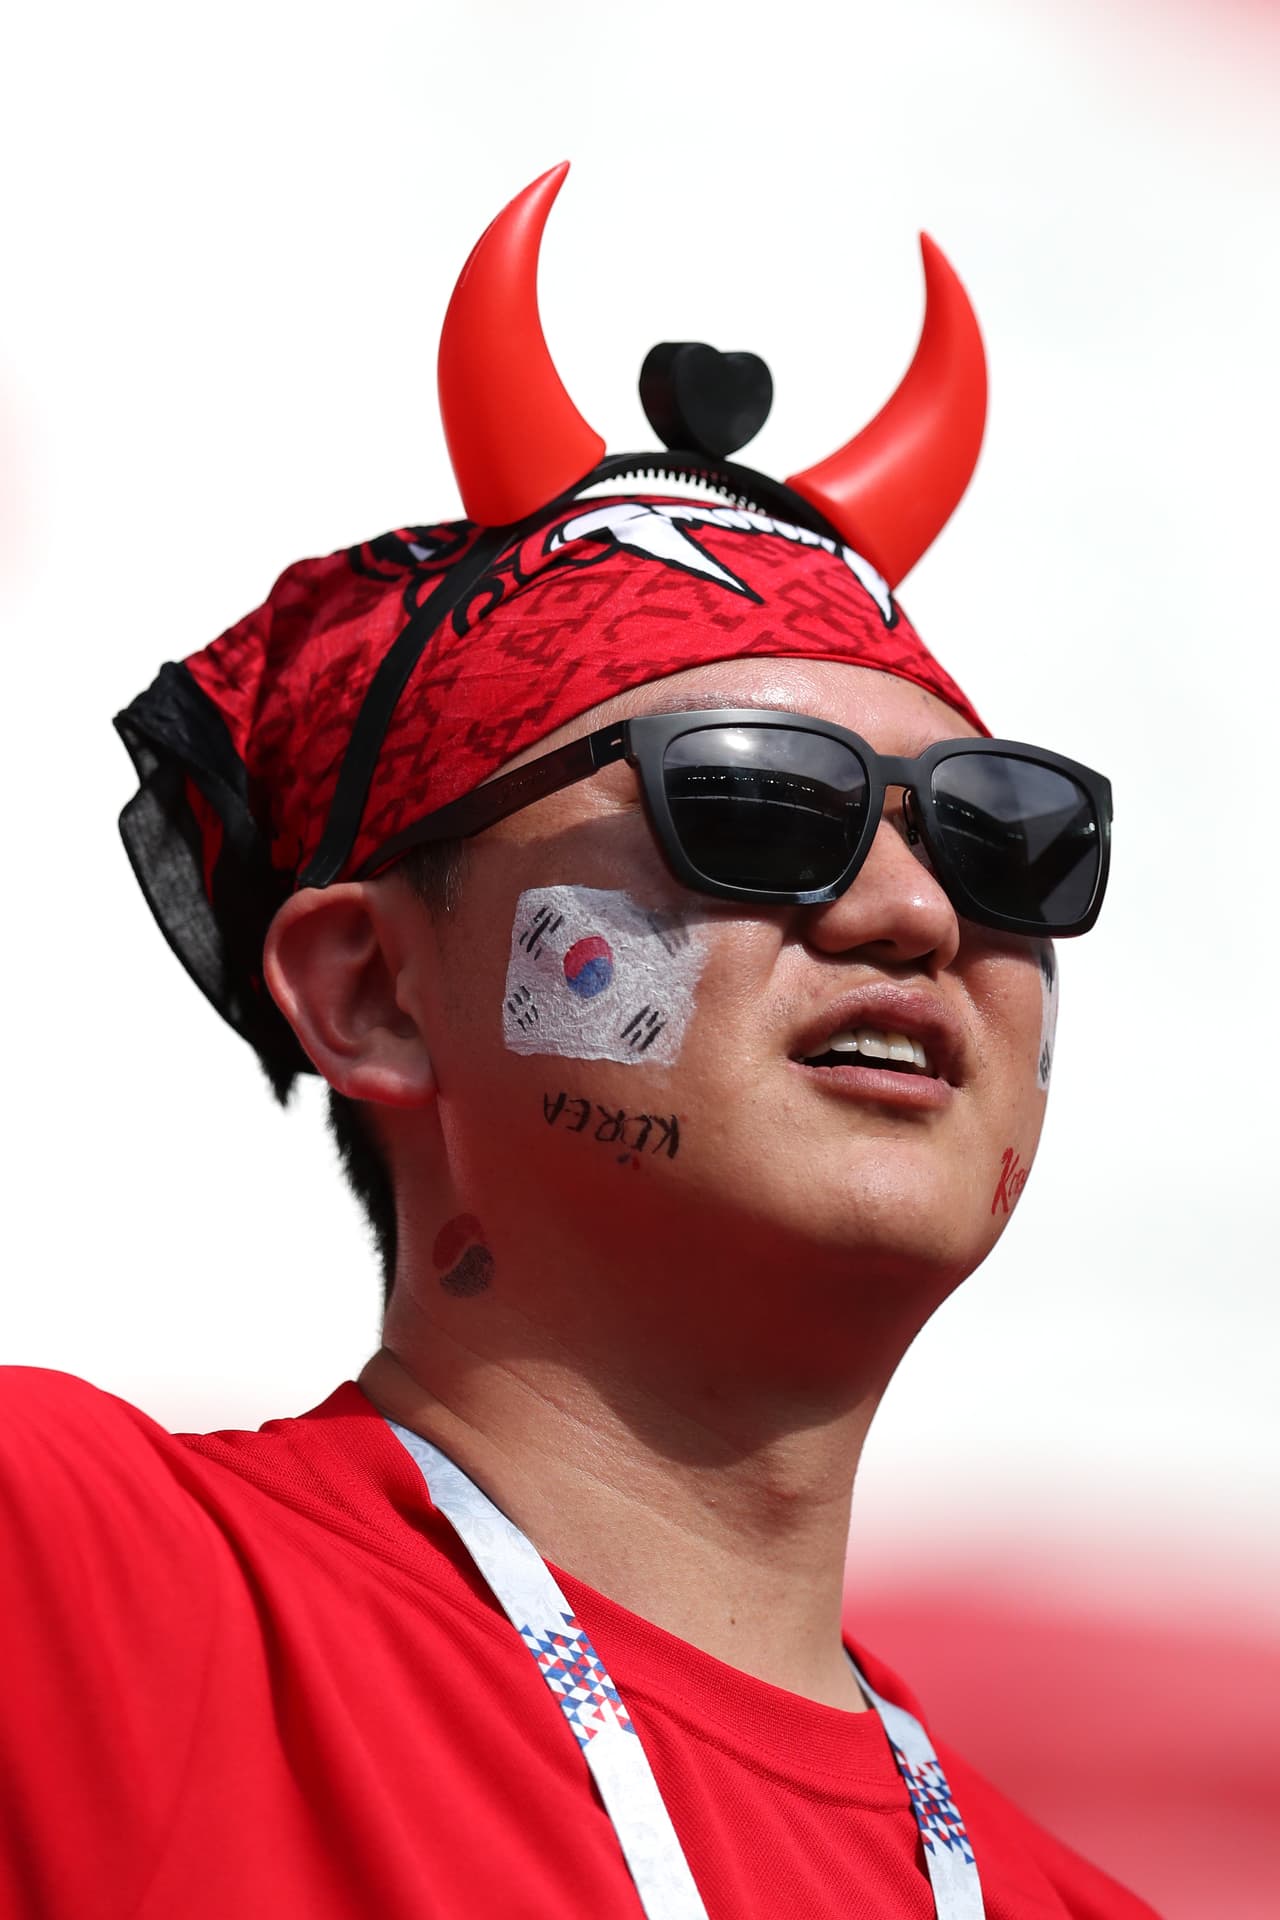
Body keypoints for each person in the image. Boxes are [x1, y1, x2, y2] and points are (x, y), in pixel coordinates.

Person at [0, 166, 1154, 1919]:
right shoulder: (74, 1594)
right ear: (379, 992)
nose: (915, 914)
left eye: (1007, 833)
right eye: (756, 803)